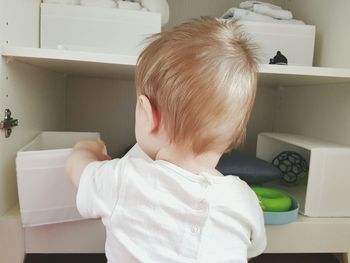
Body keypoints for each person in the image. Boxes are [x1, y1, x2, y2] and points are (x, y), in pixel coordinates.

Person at [66, 17, 266, 262]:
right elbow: (253, 248)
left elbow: (77, 171)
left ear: (147, 114)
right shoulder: (244, 198)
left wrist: (85, 149)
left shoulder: (124, 178)